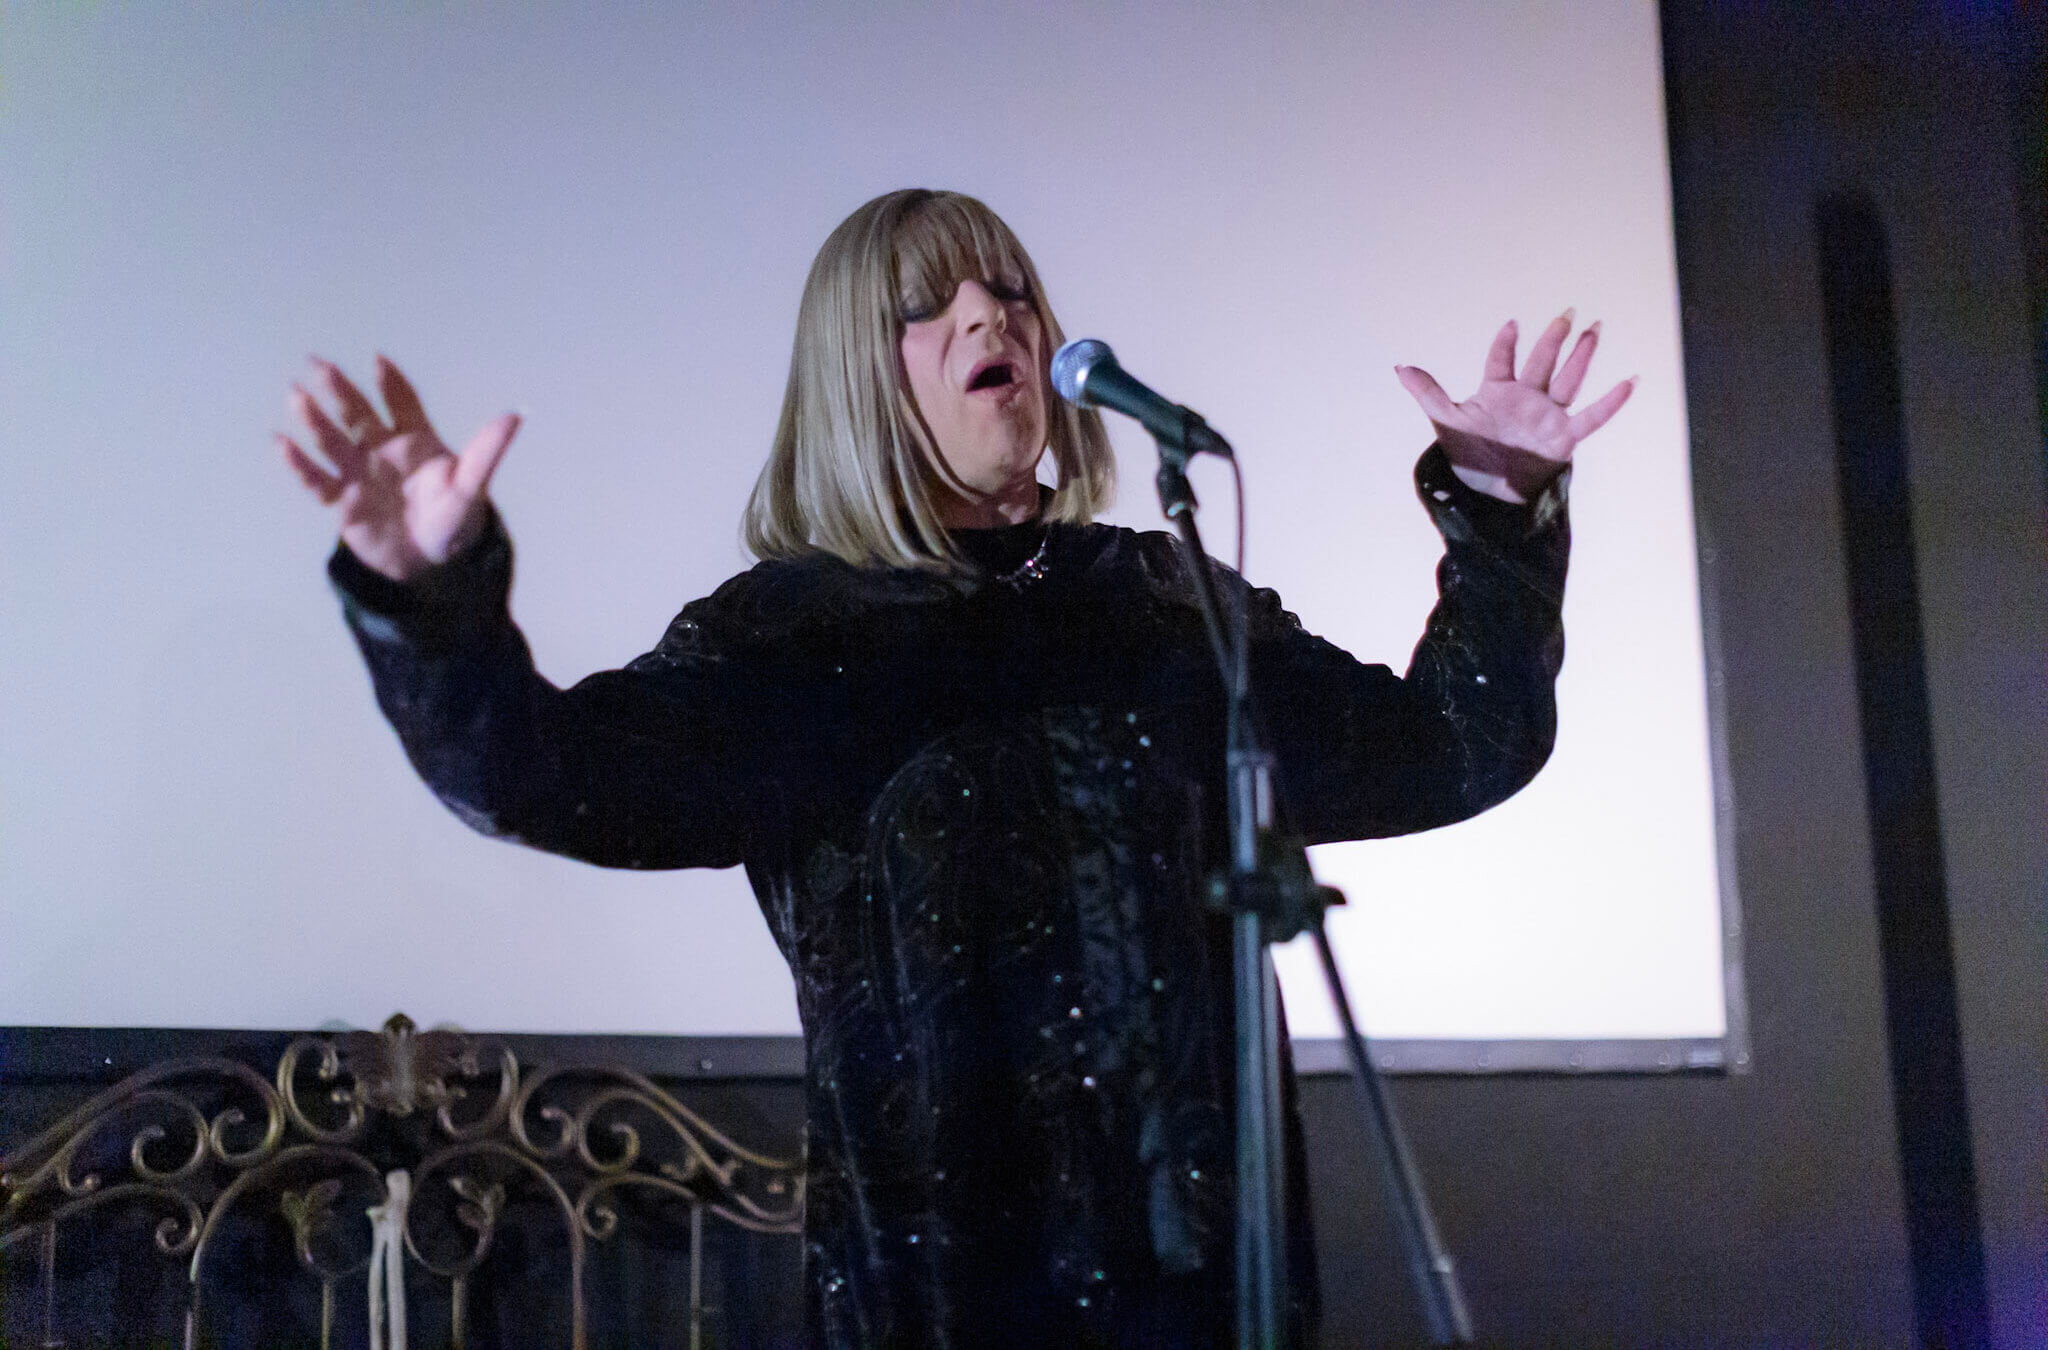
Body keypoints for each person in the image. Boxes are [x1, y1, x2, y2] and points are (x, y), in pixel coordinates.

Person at [279, 188, 1631, 1349]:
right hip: (941, 1302)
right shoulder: (797, 639)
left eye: (1014, 293)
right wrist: (432, 599)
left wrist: (1503, 520)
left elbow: (1450, 746)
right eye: (934, 305)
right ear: (857, 375)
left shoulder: (1162, 604)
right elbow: (538, 772)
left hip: (1213, 1296)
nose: (995, 318)